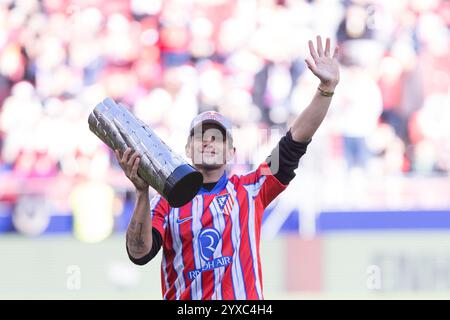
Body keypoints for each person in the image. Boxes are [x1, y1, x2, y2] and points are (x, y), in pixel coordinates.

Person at [115, 36, 340, 300]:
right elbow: (138, 253)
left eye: (218, 137)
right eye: (201, 136)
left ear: (231, 153)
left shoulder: (252, 188)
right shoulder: (165, 202)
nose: (209, 141)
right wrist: (141, 195)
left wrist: (326, 89)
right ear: (188, 149)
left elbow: (295, 141)